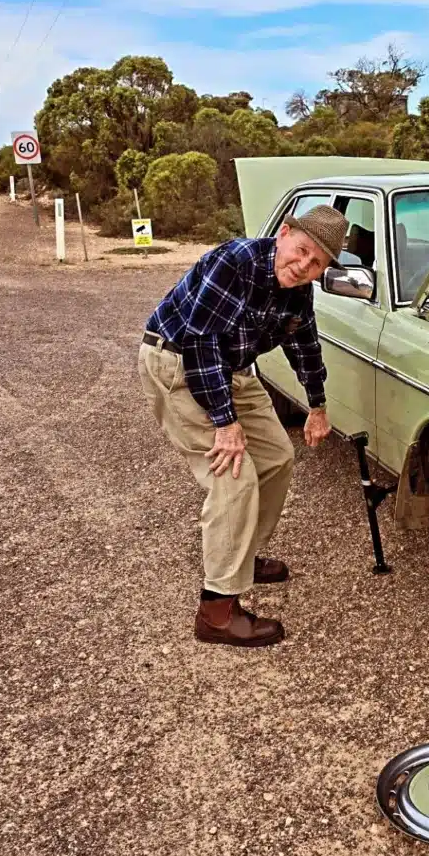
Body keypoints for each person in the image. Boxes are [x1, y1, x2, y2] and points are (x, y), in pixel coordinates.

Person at [138, 205, 347, 648]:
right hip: (176, 361)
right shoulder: (236, 261)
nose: (303, 266)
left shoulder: (298, 290)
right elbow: (200, 345)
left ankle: (243, 558)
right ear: (284, 233)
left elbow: (304, 344)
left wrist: (317, 405)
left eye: (317, 265)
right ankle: (216, 612)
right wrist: (225, 422)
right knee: (235, 476)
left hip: (232, 370)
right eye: (302, 251)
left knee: (276, 457)